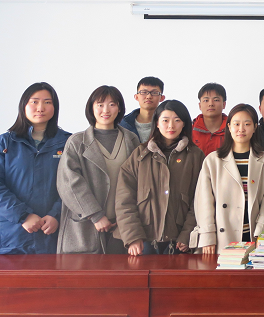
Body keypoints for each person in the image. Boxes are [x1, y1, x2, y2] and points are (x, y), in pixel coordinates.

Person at [57, 86, 140, 254]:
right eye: (100, 105)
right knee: (84, 271)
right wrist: (95, 215)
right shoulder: (76, 141)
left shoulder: (131, 140)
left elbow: (139, 181)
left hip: (122, 226)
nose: (106, 110)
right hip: (86, 226)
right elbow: (69, 183)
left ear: (119, 108)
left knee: (123, 270)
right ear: (91, 108)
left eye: (112, 104)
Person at [115, 100, 204, 255]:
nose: (171, 126)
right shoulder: (140, 154)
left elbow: (200, 199)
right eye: (165, 120)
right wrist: (133, 236)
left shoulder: (195, 156)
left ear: (184, 124)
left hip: (179, 241)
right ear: (156, 123)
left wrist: (188, 234)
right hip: (143, 239)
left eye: (177, 120)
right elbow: (124, 198)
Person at [191, 104, 264, 254]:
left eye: (247, 124)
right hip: (221, 237)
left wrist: (261, 233)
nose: (241, 129)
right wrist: (207, 236)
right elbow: (204, 202)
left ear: (255, 127)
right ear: (229, 127)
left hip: (253, 236)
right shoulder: (213, 161)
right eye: (236, 124)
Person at [0, 82, 71, 254]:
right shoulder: (5, 143)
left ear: (55, 107)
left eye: (47, 102)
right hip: (12, 236)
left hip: (55, 235)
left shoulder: (69, 142)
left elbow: (74, 185)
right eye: (34, 102)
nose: (40, 108)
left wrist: (56, 214)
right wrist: (23, 215)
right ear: (23, 105)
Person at [119, 76, 165, 143]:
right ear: (136, 97)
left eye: (154, 93)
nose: (149, 96)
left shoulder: (167, 124)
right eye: (144, 92)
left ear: (162, 98)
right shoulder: (123, 124)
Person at [192, 83, 228, 156]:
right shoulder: (191, 130)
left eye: (216, 100)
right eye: (206, 100)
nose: (211, 104)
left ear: (224, 104)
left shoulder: (232, 130)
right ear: (200, 105)